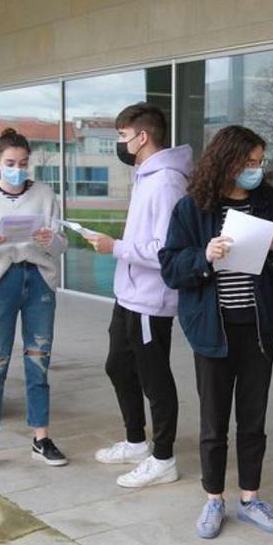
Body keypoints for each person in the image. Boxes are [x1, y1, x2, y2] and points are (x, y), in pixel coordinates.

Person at [159, 125, 273, 539]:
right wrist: (203, 256)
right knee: (213, 420)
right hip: (211, 327)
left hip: (257, 327)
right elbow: (172, 267)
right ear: (227, 161)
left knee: (253, 419)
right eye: (249, 162)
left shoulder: (270, 204)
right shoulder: (193, 208)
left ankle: (250, 499)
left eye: (259, 162)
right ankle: (212, 500)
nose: (256, 170)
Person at [85, 103, 192, 488]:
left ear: (141, 137)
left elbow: (166, 250)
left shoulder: (166, 182)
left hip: (151, 299)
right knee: (118, 365)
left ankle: (163, 458)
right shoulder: (145, 176)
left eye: (121, 136)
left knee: (154, 377)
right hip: (128, 295)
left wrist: (115, 247)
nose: (119, 143)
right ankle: (135, 441)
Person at [0, 128, 68, 473]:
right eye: (10, 163)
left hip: (38, 279)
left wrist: (49, 239)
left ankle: (41, 436)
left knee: (39, 359)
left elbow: (60, 246)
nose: (18, 169)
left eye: (23, 163)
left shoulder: (44, 194)